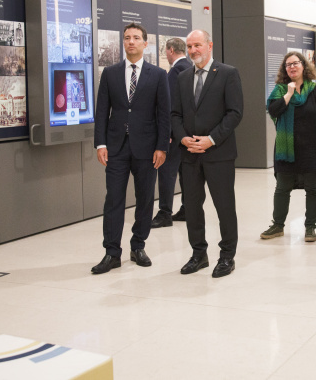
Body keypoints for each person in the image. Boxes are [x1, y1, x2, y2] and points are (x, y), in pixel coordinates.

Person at [92, 23, 170, 274]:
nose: (131, 42)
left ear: (145, 44)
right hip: (116, 147)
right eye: (127, 38)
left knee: (145, 199)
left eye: (136, 38)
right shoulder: (110, 73)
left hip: (147, 148)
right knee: (113, 199)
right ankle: (111, 252)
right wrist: (100, 143)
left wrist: (161, 146)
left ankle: (138, 246)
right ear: (123, 42)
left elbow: (163, 114)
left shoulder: (158, 75)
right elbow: (102, 110)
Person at [172, 30, 244, 278]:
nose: (193, 50)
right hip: (189, 153)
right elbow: (174, 114)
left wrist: (211, 140)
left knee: (224, 206)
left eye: (198, 45)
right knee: (192, 206)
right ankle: (198, 254)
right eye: (189, 46)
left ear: (209, 45)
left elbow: (235, 113)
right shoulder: (182, 78)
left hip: (219, 153)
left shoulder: (227, 73)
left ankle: (227, 257)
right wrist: (183, 138)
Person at [260, 52, 316, 242]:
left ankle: (310, 227)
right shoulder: (280, 90)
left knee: (313, 189)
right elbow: (273, 110)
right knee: (282, 188)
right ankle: (278, 225)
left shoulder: (315, 90)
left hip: (311, 149)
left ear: (304, 66)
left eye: (295, 63)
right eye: (288, 65)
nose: (292, 67)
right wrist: (288, 94)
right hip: (287, 150)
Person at [151, 37, 192, 228]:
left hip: (175, 132)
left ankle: (164, 212)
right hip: (188, 131)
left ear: (170, 50)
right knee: (185, 172)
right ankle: (187, 208)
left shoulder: (176, 70)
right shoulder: (190, 67)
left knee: (167, 172)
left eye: (165, 51)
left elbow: (168, 104)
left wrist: (165, 130)